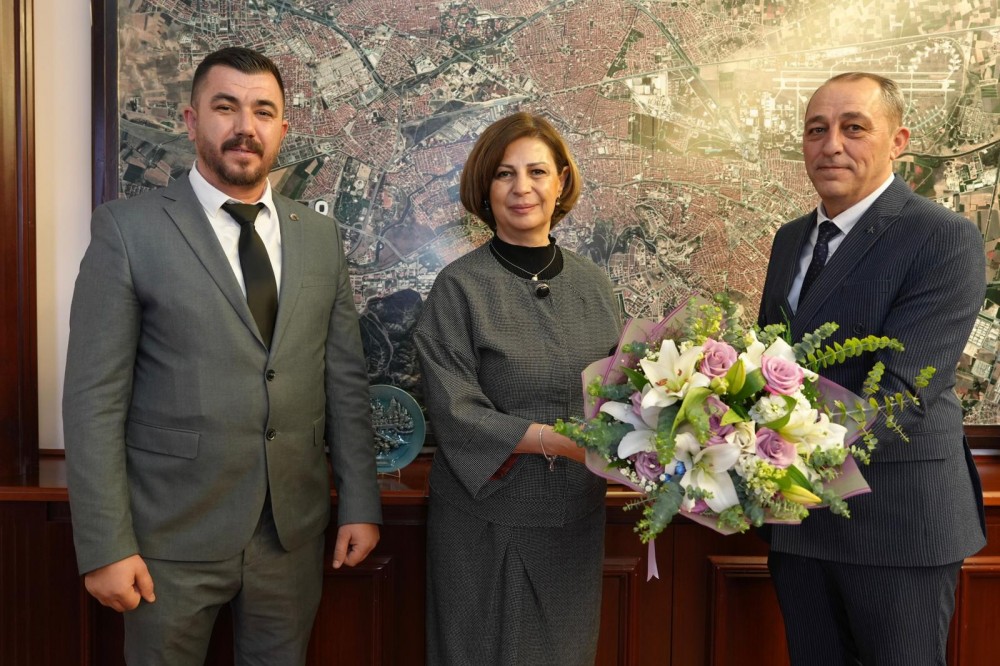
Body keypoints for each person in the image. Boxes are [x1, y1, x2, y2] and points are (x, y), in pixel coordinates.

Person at [63, 47, 382, 665]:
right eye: (225, 107)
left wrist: (361, 504)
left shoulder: (320, 236)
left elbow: (344, 381)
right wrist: (105, 546)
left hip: (289, 537)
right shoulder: (127, 231)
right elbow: (93, 400)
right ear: (191, 120)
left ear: (282, 128)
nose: (245, 126)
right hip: (168, 539)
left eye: (262, 111)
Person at [758, 72, 986, 665]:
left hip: (897, 525)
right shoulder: (789, 240)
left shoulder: (942, 237)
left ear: (898, 141)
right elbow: (769, 366)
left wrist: (776, 456)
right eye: (816, 130)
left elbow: (904, 391)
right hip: (799, 523)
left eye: (854, 128)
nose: (831, 144)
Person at [413, 112, 622, 665]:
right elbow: (456, 411)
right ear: (485, 188)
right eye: (505, 174)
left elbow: (621, 395)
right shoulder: (458, 288)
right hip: (485, 525)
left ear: (562, 181)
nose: (521, 187)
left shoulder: (595, 285)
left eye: (537, 171)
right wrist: (556, 441)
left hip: (575, 525)